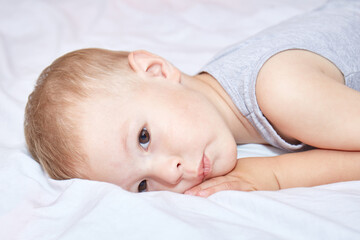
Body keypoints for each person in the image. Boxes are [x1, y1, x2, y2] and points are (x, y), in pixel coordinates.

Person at [24, 0, 360, 197]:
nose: (170, 174)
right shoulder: (225, 92)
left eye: (143, 138)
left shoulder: (281, 88)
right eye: (142, 185)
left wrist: (273, 175)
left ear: (156, 69)